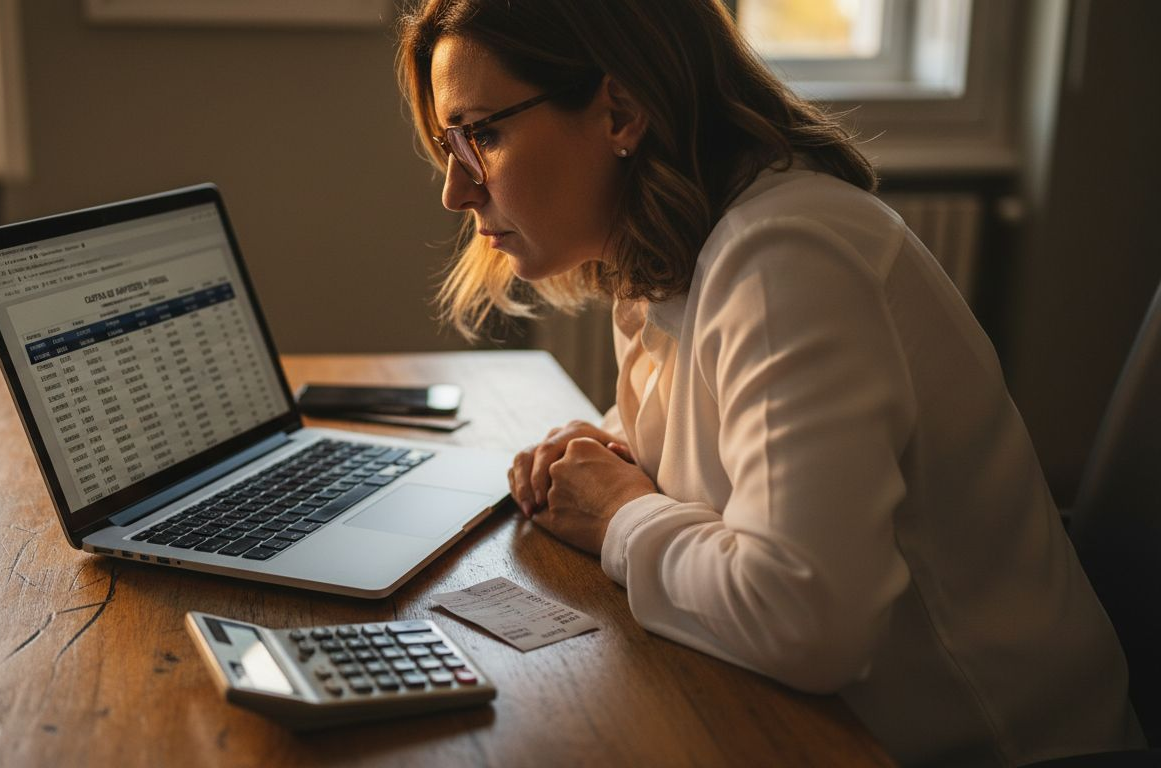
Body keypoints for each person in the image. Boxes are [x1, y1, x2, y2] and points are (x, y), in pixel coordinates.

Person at [396, 0, 1145, 765]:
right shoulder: (667, 251)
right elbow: (716, 441)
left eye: (481, 133)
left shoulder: (788, 256)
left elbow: (804, 619)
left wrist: (620, 514)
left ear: (619, 110)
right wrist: (605, 447)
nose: (457, 190)